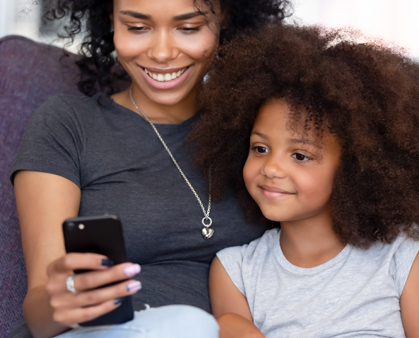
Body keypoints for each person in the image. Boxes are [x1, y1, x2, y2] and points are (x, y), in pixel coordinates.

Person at [10, 0, 291, 337]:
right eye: (137, 27)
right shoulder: (68, 124)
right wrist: (62, 301)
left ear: (225, 19)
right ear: (111, 21)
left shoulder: (261, 131)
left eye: (188, 28)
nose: (161, 53)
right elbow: (40, 312)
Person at [189, 25, 419, 337]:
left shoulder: (400, 255)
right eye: (260, 148)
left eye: (300, 155)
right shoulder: (236, 271)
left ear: (353, 167)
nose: (271, 167)